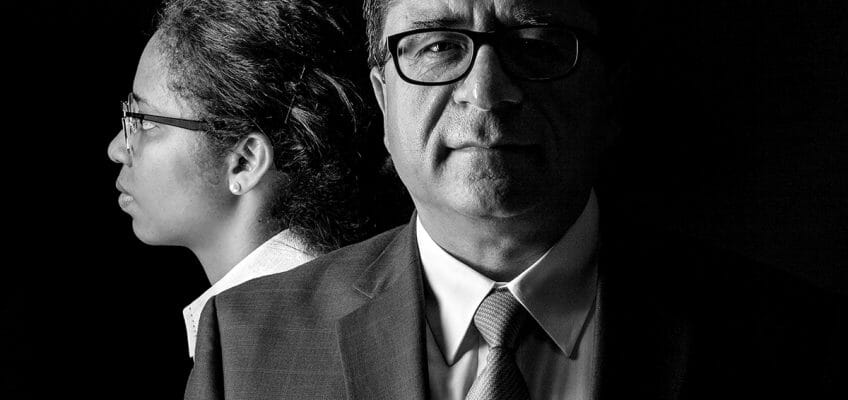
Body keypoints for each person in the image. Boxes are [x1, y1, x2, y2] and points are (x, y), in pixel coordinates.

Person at [184, 0, 845, 399]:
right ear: (383, 96)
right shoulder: (246, 343)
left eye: (536, 45)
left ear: (610, 95)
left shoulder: (788, 341)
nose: (487, 92)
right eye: (437, 45)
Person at [107, 0, 379, 359]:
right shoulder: (315, 312)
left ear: (245, 162)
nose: (117, 149)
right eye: (129, 116)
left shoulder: (293, 346)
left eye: (145, 122)